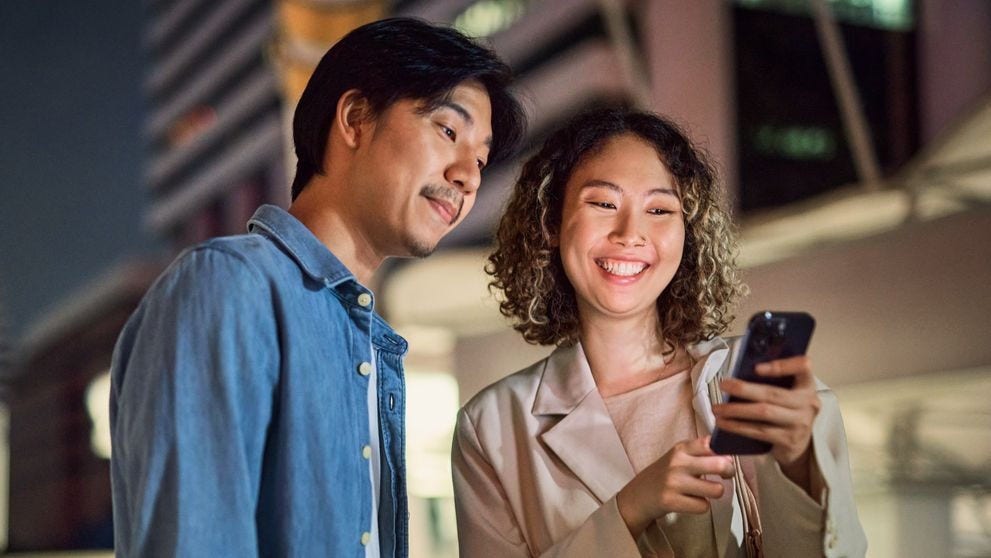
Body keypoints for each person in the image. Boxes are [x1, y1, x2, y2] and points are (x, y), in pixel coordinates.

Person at [110, 17, 525, 557]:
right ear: (354, 119)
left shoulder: (370, 344)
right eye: (448, 131)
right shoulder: (231, 287)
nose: (468, 175)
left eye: (481, 157)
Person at [451, 107, 867, 557]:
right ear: (551, 223)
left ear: (687, 234)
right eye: (604, 204)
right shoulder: (490, 426)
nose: (631, 233)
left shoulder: (749, 385)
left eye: (660, 209)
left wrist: (798, 464)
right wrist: (629, 508)